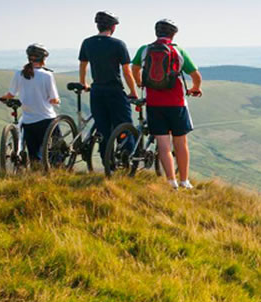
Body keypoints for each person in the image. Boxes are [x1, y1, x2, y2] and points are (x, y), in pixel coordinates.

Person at [132, 19, 202, 190]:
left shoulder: (144, 49)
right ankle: (185, 181)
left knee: (163, 144)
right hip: (176, 103)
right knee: (180, 142)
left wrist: (140, 82)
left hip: (154, 103)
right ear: (173, 34)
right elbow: (196, 76)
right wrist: (195, 88)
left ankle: (171, 182)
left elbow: (134, 68)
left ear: (157, 33)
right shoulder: (178, 51)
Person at [78, 11, 138, 166]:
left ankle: (107, 161)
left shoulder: (87, 42)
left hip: (96, 90)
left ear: (98, 26)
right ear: (113, 27)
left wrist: (83, 82)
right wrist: (133, 91)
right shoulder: (118, 44)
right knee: (124, 124)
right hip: (115, 90)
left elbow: (83, 65)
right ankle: (126, 159)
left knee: (103, 127)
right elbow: (126, 71)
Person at [0, 44, 60, 167]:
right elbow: (54, 99)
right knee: (57, 148)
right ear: (43, 59)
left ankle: (35, 175)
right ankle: (58, 171)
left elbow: (10, 94)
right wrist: (56, 100)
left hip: (28, 121)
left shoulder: (19, 74)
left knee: (34, 155)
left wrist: (2, 98)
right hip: (47, 119)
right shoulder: (47, 75)